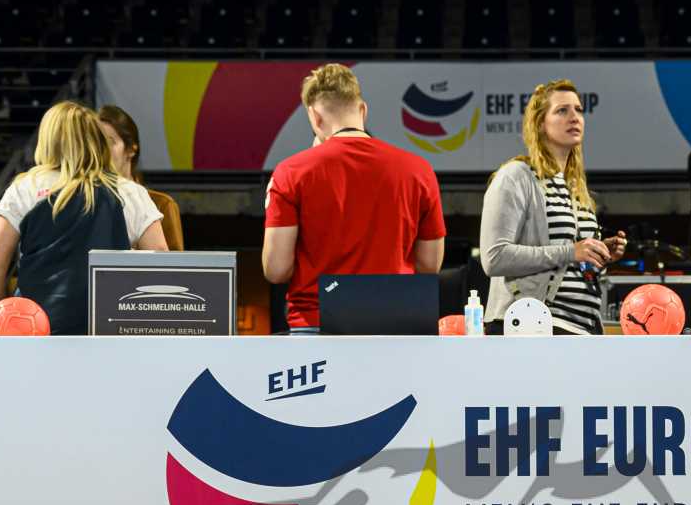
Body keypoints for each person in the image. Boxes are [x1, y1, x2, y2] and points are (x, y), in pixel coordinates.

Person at [262, 63, 445, 333]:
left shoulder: (291, 172)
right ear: (362, 110)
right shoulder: (419, 170)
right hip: (395, 323)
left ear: (314, 116)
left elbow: (276, 269)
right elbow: (430, 265)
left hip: (316, 323)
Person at [0, 102, 167, 335]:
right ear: (95, 138)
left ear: (47, 139)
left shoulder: (25, 188)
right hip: (111, 328)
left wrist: (4, 324)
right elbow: (161, 261)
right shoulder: (130, 192)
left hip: (38, 330)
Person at [479, 79, 628, 335]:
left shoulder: (576, 188)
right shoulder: (517, 176)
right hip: (533, 327)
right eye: (562, 110)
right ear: (540, 123)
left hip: (583, 329)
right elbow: (494, 258)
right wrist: (571, 251)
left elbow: (568, 262)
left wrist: (598, 255)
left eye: (578, 110)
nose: (574, 117)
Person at [96, 104, 185, 250]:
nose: (102, 151)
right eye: (97, 143)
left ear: (131, 149)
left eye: (110, 142)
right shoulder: (88, 201)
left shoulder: (162, 204)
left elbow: (171, 262)